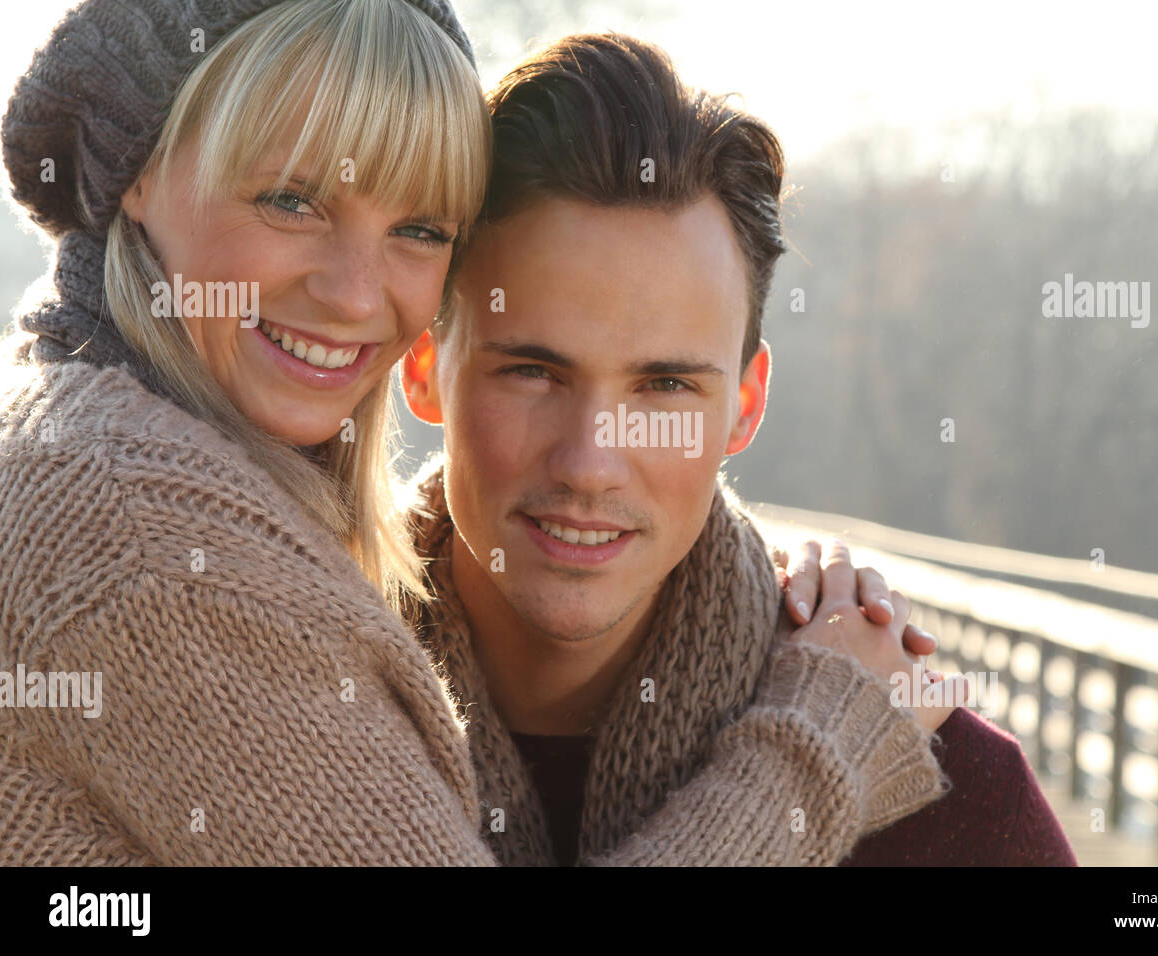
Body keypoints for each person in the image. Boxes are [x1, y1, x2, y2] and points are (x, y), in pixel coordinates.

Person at [0, 0, 951, 866]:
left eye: (418, 228)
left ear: (745, 405)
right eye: (290, 201)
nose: (356, 294)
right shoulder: (151, 538)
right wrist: (824, 740)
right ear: (137, 174)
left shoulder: (110, 459)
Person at [400, 32, 1077, 866]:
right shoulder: (281, 692)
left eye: (666, 387)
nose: (589, 461)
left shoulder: (955, 800)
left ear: (745, 407)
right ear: (423, 368)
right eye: (534, 372)